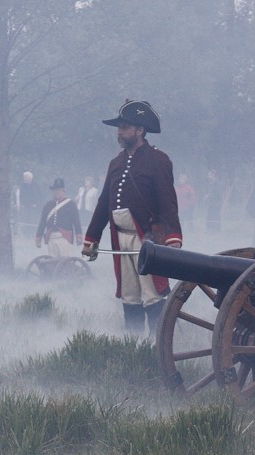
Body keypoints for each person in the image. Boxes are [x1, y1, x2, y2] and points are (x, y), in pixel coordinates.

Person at [82, 99, 182, 334]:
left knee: (152, 293)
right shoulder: (115, 163)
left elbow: (168, 201)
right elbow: (103, 203)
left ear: (140, 130)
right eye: (119, 128)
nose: (120, 132)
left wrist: (172, 236)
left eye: (125, 127)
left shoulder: (158, 160)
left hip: (147, 237)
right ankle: (133, 343)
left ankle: (158, 344)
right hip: (121, 238)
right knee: (130, 295)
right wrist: (91, 238)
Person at [35, 178, 83, 258]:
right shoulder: (48, 205)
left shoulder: (71, 204)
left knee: (66, 260)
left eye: (59, 190)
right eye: (55, 190)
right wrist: (38, 237)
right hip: (51, 237)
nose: (56, 192)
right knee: (53, 261)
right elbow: (42, 222)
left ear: (63, 190)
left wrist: (79, 236)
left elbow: (76, 221)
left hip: (65, 237)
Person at [17, 171, 42, 237]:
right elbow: (21, 196)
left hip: (34, 208)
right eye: (24, 177)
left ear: (30, 178)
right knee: (25, 220)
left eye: (26, 177)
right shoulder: (22, 185)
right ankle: (26, 235)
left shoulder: (36, 185)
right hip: (25, 207)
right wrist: (21, 204)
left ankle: (33, 234)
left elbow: (39, 196)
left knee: (33, 221)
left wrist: (37, 204)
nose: (24, 179)